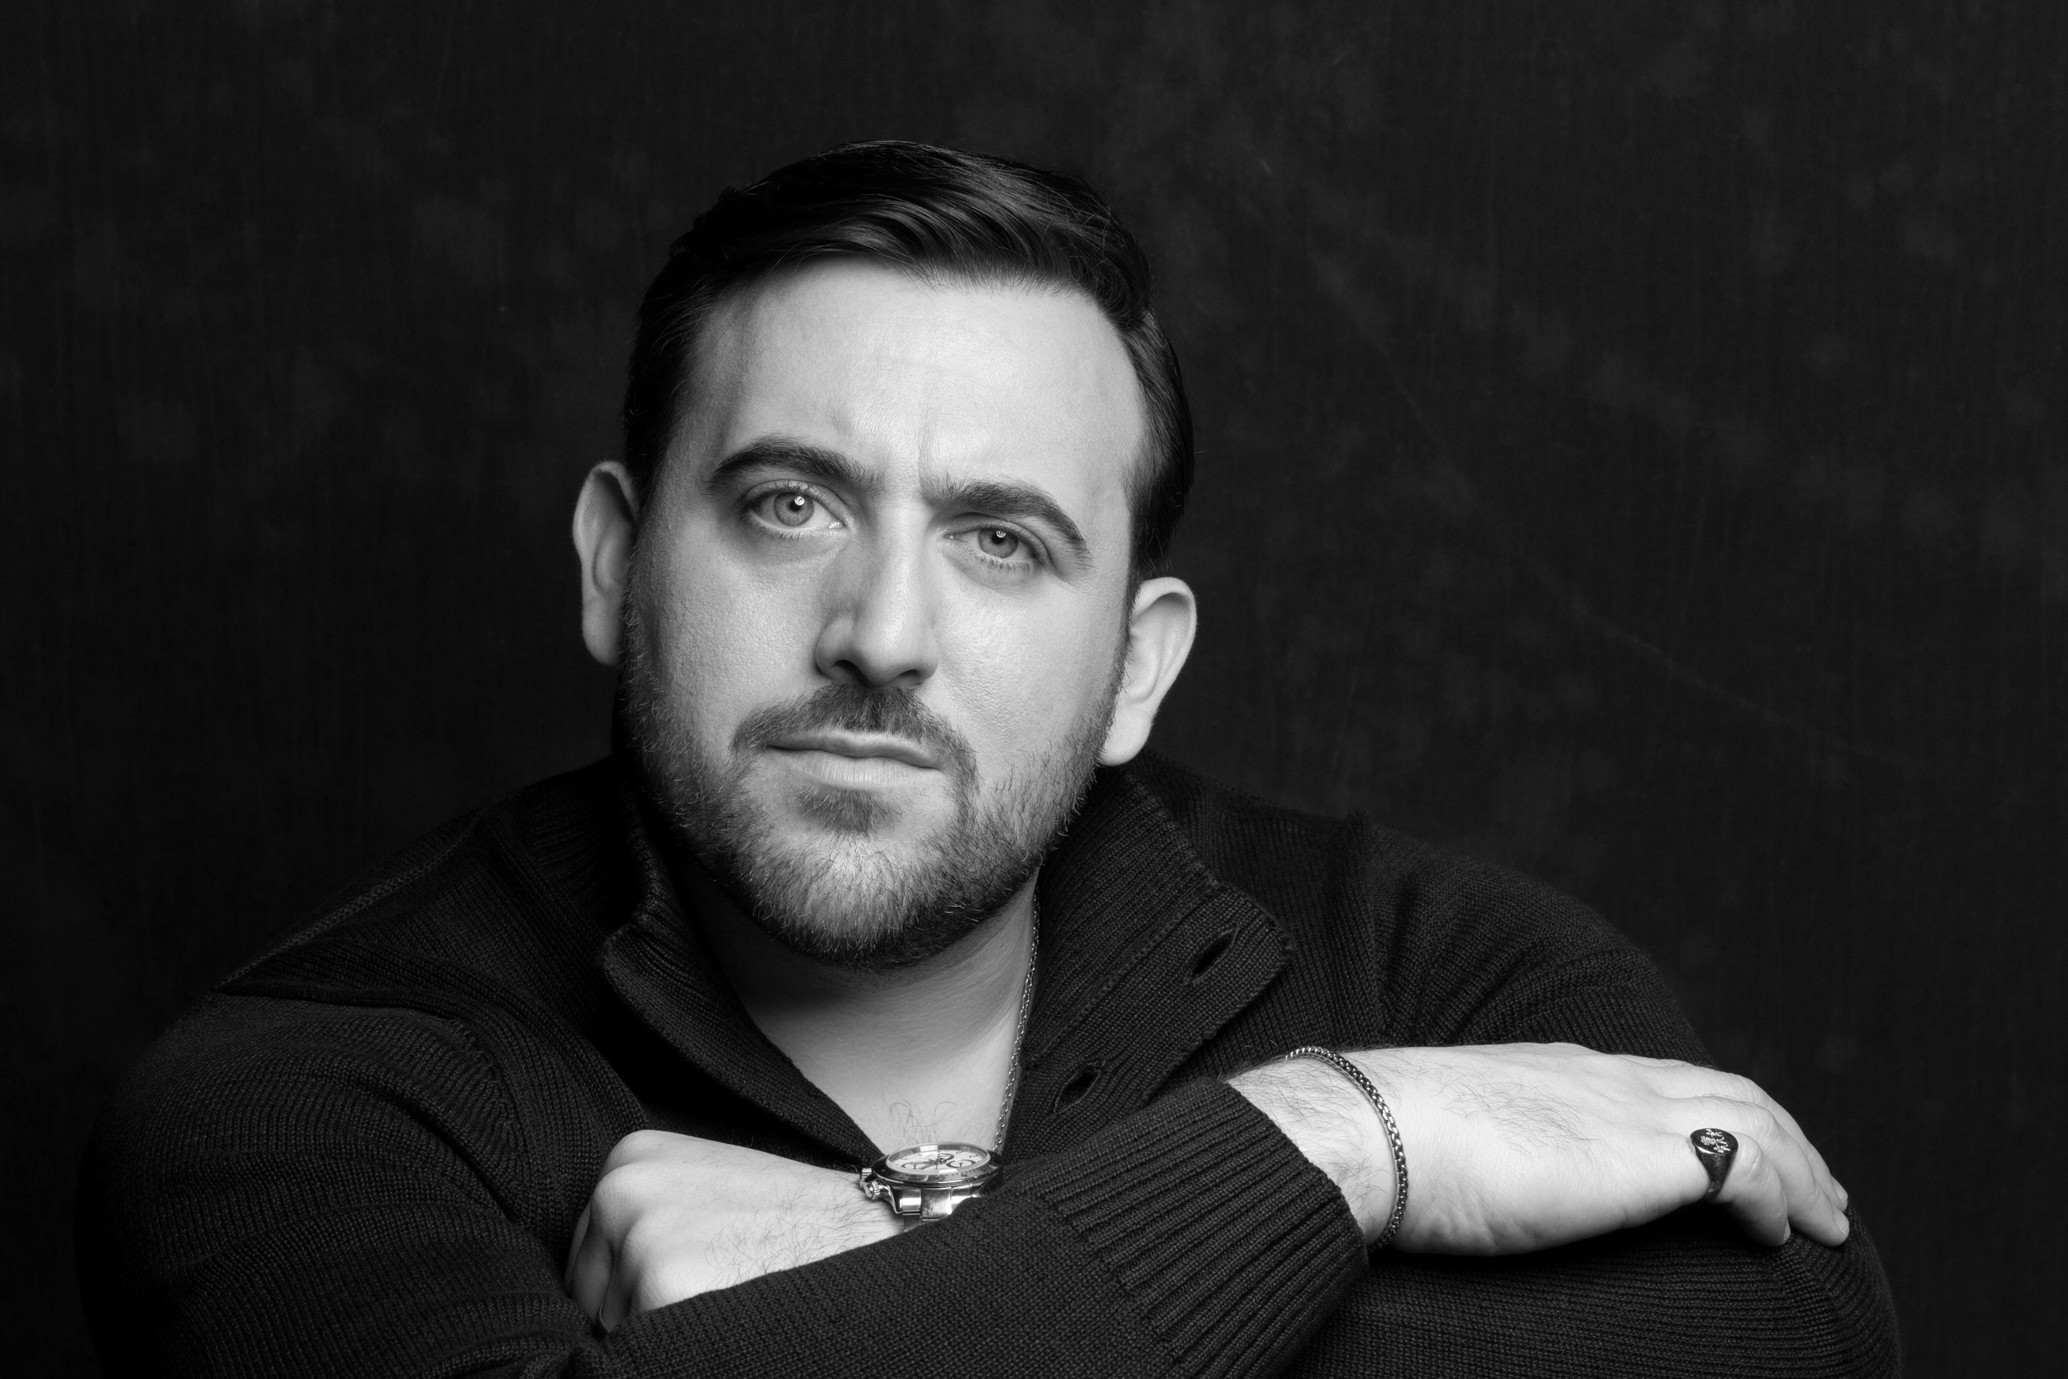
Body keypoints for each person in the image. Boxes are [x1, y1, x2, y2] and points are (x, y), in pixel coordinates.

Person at [79, 141, 1897, 1376]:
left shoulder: (1439, 969)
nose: (881, 631)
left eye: (1001, 540)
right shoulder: (301, 1099)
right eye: (788, 504)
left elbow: (1796, 1343)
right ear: (618, 568)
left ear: (1136, 666)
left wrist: (891, 1266)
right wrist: (1336, 1140)